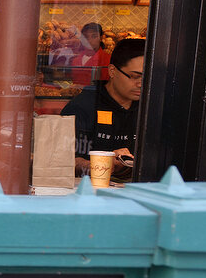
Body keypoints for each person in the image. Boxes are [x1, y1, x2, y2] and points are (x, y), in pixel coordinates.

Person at [62, 37, 145, 180]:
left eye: (147, 77)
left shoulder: (149, 108)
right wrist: (106, 163)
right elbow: (62, 161)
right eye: (135, 76)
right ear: (112, 71)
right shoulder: (83, 107)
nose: (141, 83)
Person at [71, 22, 110, 86]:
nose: (89, 40)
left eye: (94, 36)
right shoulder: (76, 60)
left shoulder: (107, 60)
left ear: (101, 38)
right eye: (86, 37)